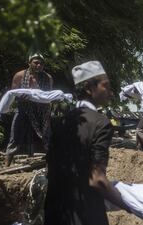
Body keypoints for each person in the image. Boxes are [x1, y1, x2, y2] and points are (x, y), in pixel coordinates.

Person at [44, 61, 129, 225]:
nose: (110, 92)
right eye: (105, 86)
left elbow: (50, 168)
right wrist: (131, 205)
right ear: (89, 88)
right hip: (85, 215)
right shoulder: (100, 123)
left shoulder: (59, 121)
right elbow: (97, 179)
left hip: (55, 212)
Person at [5, 53, 53, 166]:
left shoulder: (48, 78)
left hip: (42, 110)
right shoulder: (20, 76)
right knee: (15, 135)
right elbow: (13, 94)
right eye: (36, 62)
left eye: (41, 63)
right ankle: (6, 165)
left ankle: (51, 164)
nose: (39, 65)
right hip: (23, 108)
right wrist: (23, 96)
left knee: (47, 137)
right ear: (29, 63)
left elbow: (49, 95)